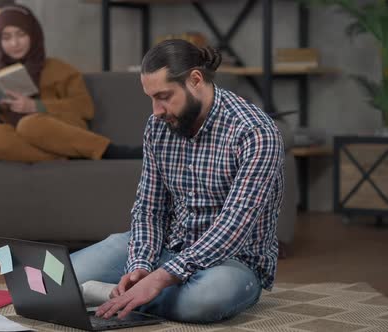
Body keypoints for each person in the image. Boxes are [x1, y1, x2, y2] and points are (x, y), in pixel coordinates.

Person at [70, 39, 285, 323]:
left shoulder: (256, 133)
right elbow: (149, 208)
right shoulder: (158, 127)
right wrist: (141, 266)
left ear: (195, 80)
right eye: (151, 98)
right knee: (61, 276)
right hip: (166, 249)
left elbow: (235, 224)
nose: (156, 110)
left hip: (231, 262)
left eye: (164, 96)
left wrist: (163, 276)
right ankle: (126, 294)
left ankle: (108, 296)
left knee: (206, 301)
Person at [0, 4, 140, 162]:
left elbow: (85, 108)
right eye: (6, 37)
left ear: (34, 34)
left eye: (21, 34)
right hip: (18, 140)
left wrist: (35, 105)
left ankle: (108, 150)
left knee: (30, 125)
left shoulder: (59, 69)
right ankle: (68, 158)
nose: (15, 43)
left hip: (58, 131)